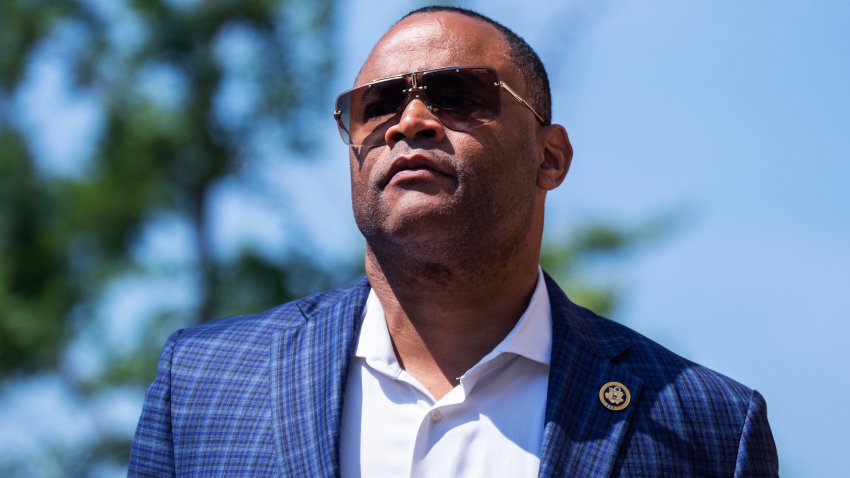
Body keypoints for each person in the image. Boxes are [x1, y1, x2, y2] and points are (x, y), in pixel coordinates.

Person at [129, 6, 778, 477]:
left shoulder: (710, 425)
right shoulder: (204, 383)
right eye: (376, 105)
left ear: (549, 158)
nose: (410, 121)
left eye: (458, 94)